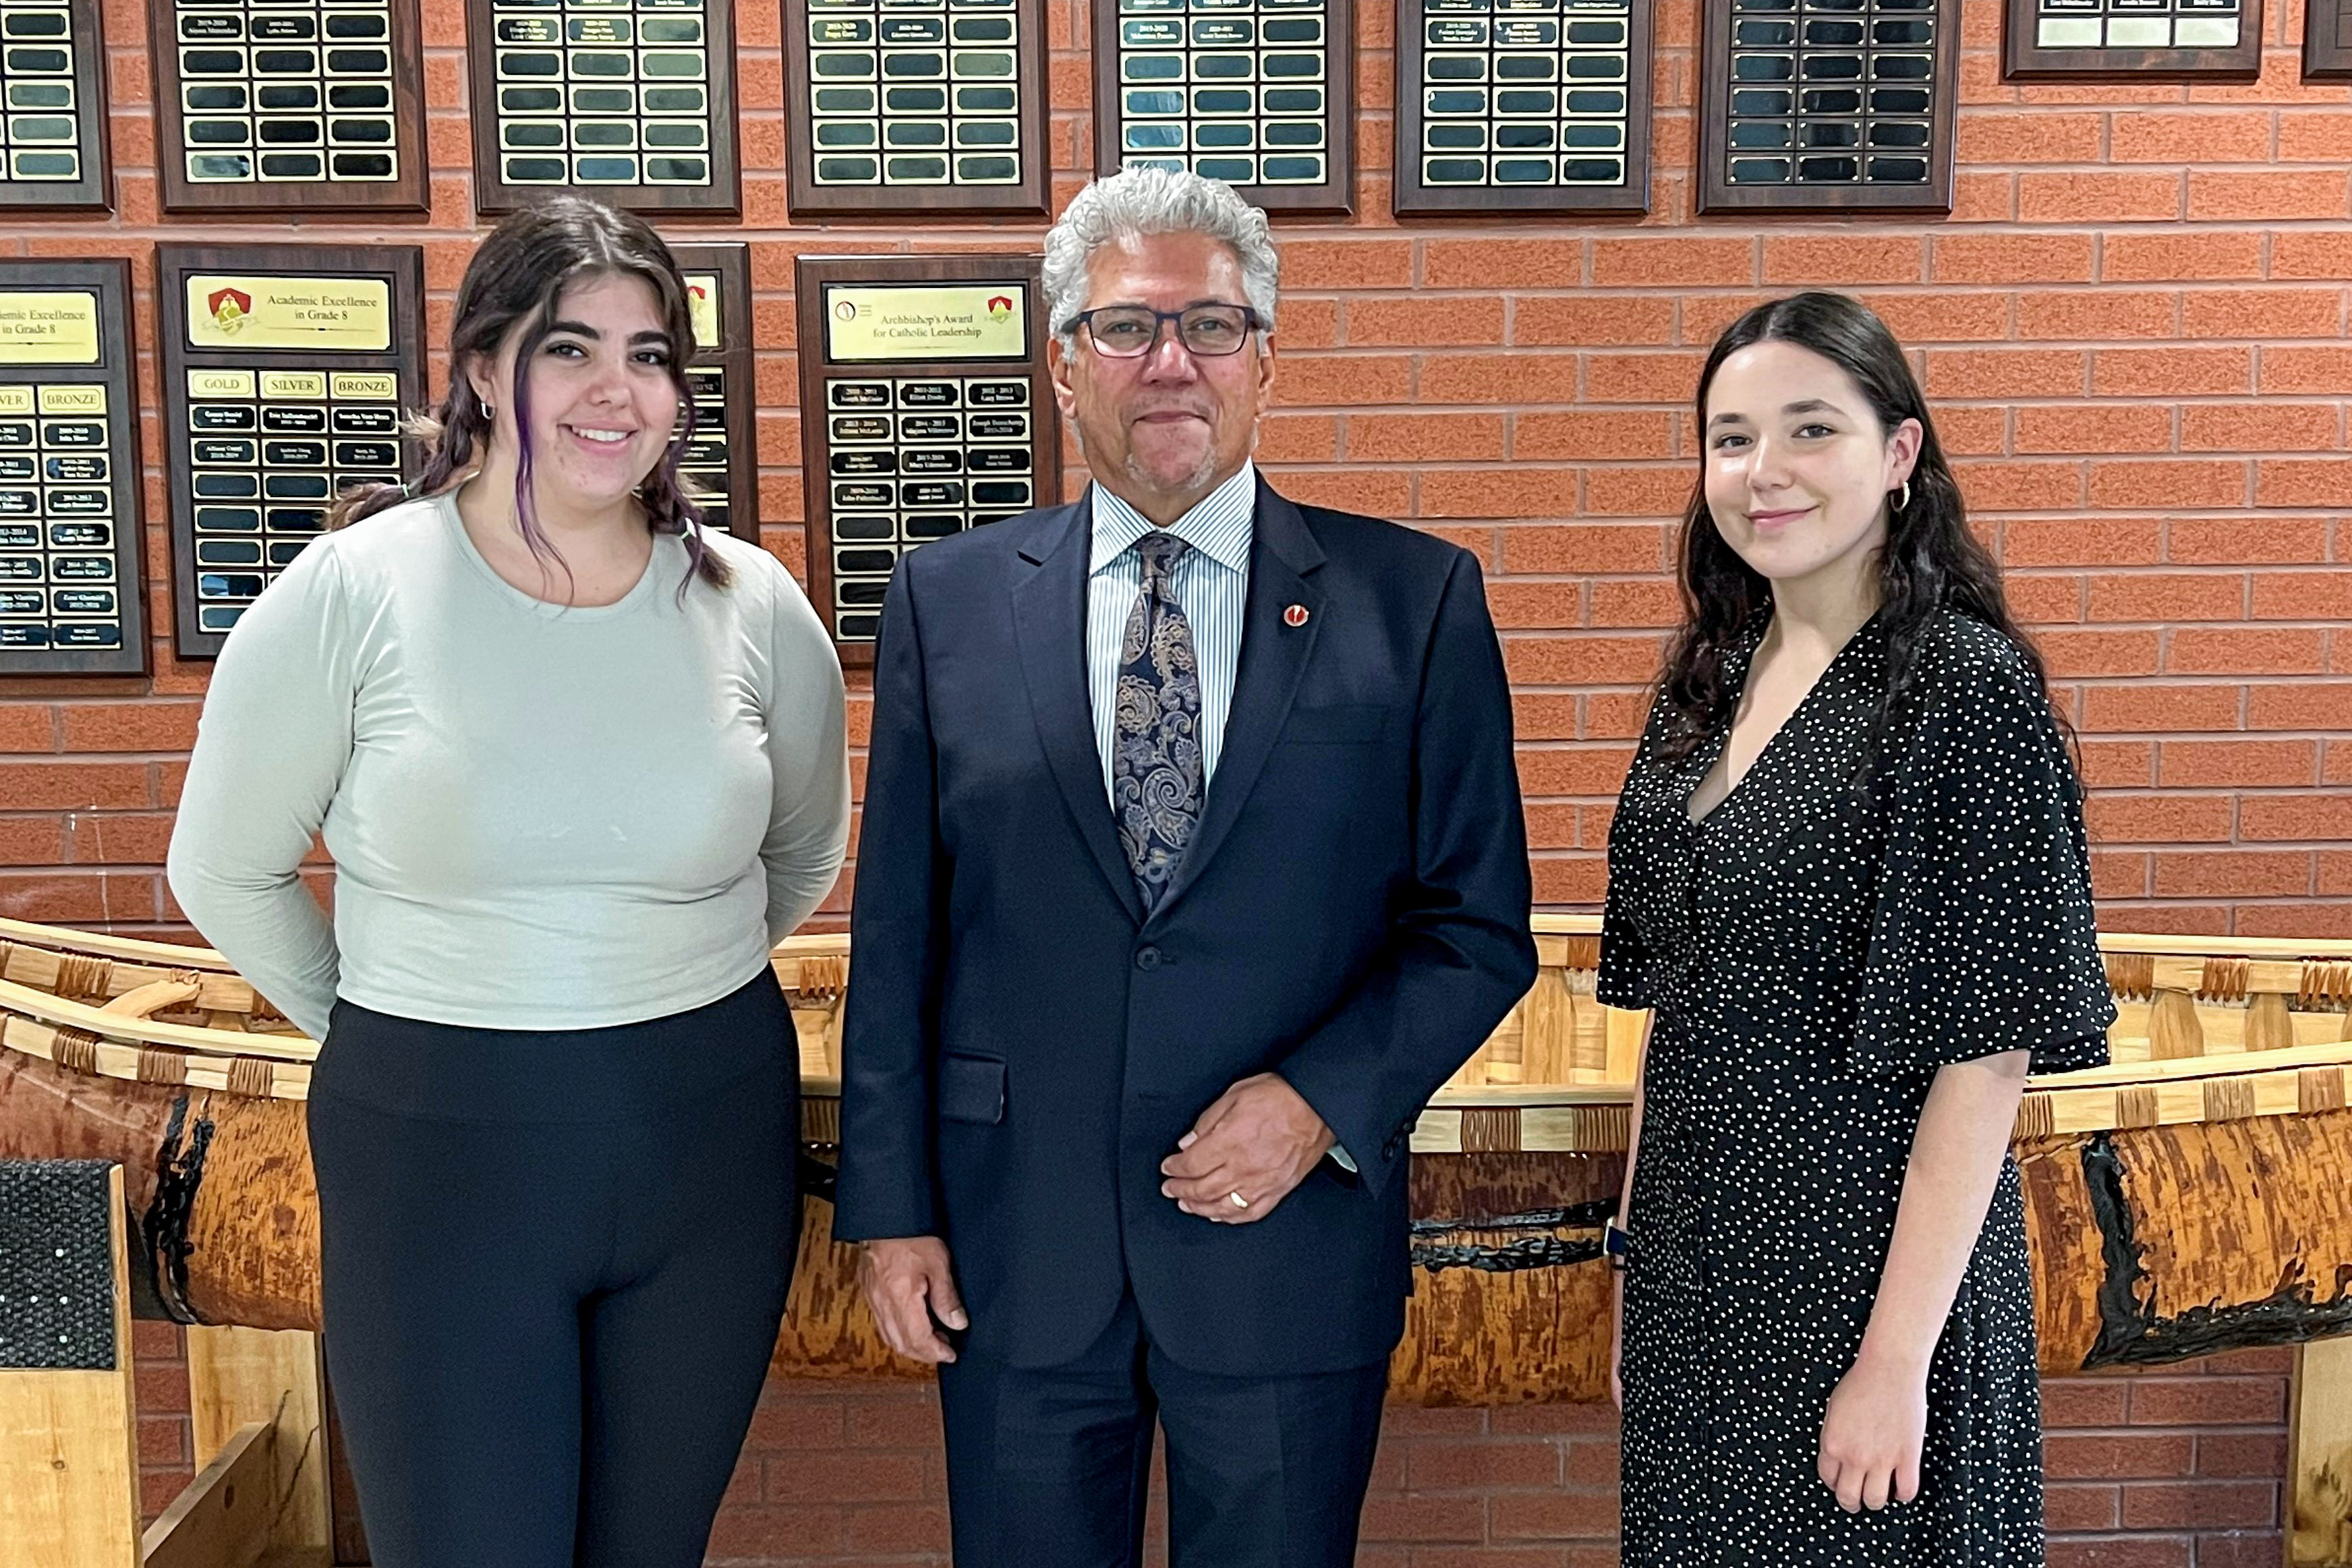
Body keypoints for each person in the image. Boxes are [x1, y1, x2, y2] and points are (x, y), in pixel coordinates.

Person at [833, 165, 1537, 1568]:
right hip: (1015, 1253)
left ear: (1265, 361)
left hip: (1285, 1248)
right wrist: (892, 1207)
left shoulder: (1416, 602)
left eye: (1211, 327)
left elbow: (1475, 925)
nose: (1170, 362)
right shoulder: (948, 601)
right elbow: (901, 933)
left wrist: (1317, 1100)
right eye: (1126, 327)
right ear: (1061, 364)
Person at [166, 196, 850, 1568]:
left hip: (707, 1134)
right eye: (568, 347)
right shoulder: (353, 591)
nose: (616, 390)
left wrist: (653, 978)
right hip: (442, 1146)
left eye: (651, 354)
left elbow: (802, 853)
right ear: (482, 366)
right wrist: (393, 1020)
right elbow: (223, 867)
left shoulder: (751, 602)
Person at [1598, 290, 2115, 1565]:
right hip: (1701, 1273)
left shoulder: (1963, 688)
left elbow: (1988, 1055)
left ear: (1899, 455)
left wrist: (1895, 1362)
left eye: (1809, 428)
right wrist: (1634, 1261)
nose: (1761, 470)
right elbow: (1680, 1010)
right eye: (1729, 437)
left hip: (1867, 1275)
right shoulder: (1708, 681)